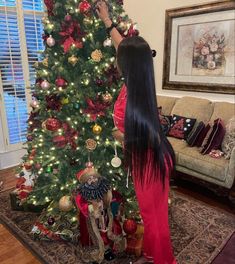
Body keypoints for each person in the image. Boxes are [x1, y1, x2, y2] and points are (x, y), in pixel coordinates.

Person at [96, 1, 176, 263]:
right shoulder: (136, 80)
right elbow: (123, 46)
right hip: (148, 158)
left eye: (120, 58)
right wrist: (108, 21)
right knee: (149, 214)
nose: (117, 60)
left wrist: (117, 136)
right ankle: (152, 254)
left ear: (127, 64)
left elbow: (137, 138)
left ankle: (164, 260)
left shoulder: (136, 99)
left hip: (150, 160)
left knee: (155, 219)